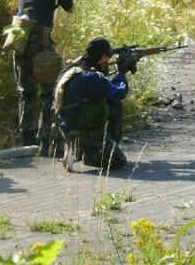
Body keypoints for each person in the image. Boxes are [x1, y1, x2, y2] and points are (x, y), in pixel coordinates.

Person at [13, 0, 74, 155]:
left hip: (19, 36)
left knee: (26, 91)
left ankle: (25, 139)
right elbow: (70, 7)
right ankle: (46, 141)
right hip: (41, 39)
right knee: (50, 92)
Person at [53, 37, 134, 171]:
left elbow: (103, 86)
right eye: (108, 56)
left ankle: (93, 145)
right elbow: (120, 92)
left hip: (66, 123)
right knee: (119, 161)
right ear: (102, 56)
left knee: (115, 105)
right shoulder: (91, 77)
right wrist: (121, 73)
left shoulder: (75, 68)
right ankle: (86, 153)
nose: (109, 59)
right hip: (82, 130)